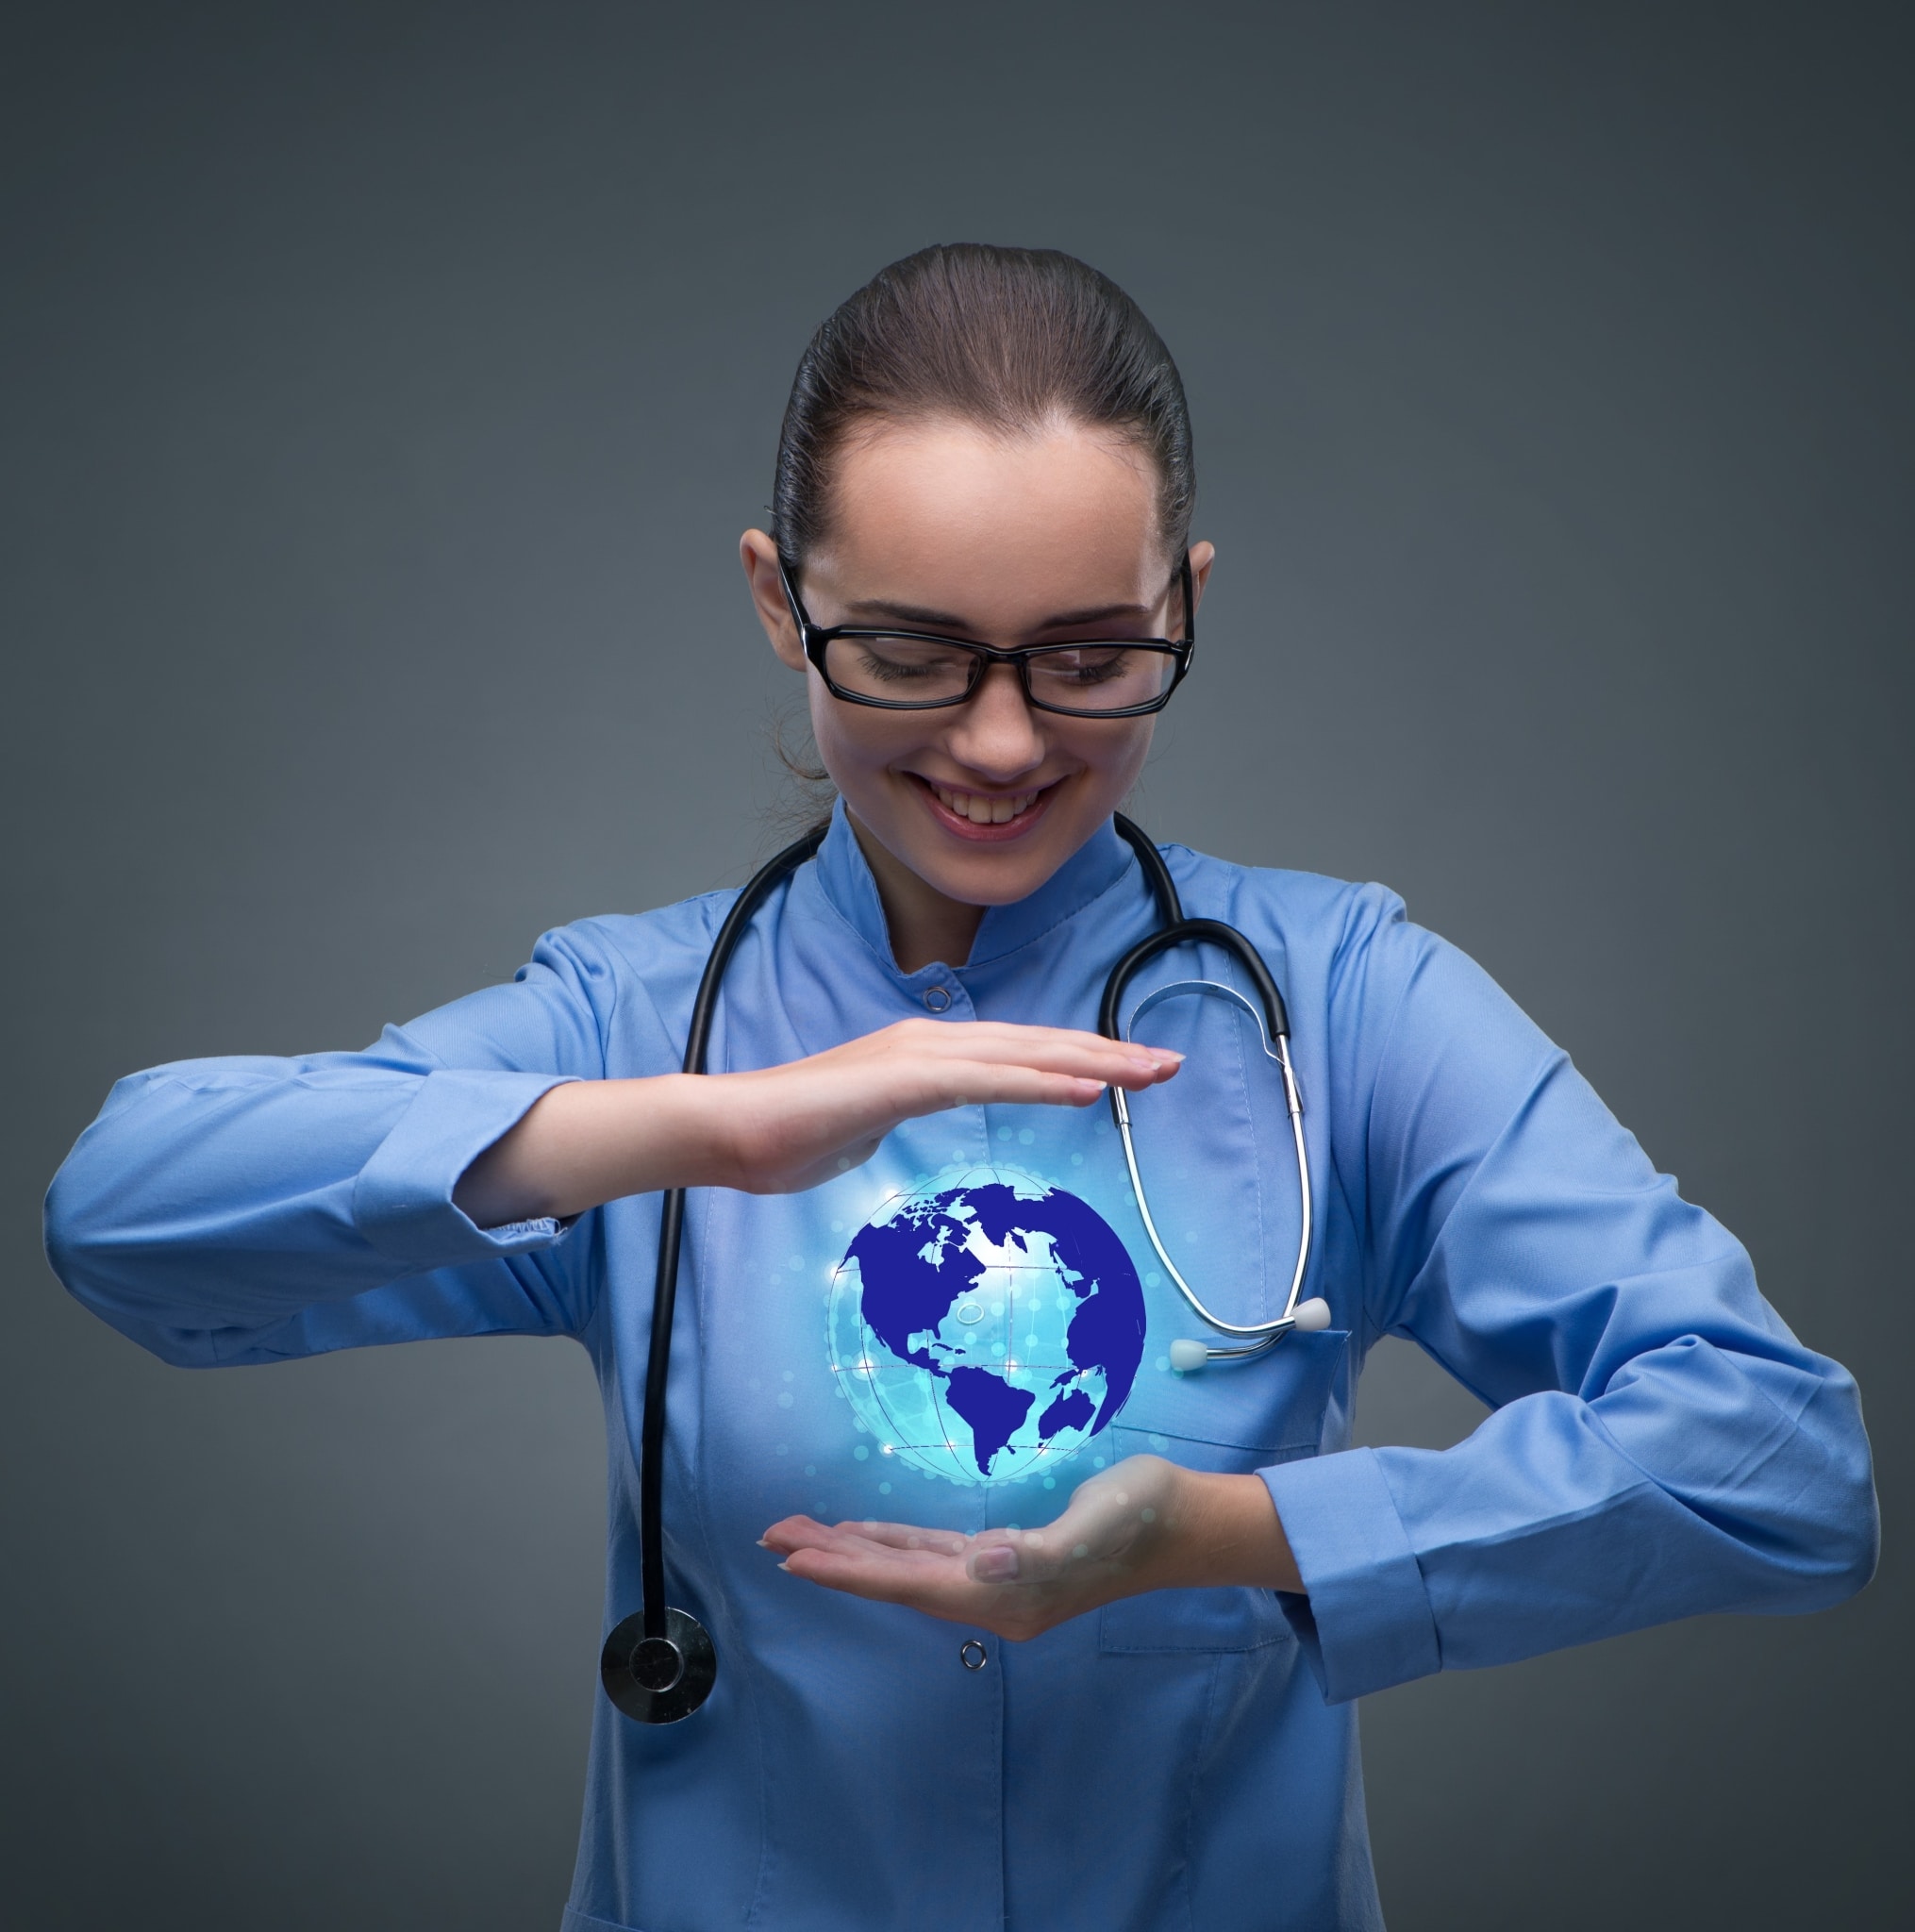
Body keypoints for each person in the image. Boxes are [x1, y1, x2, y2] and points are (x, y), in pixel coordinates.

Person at [45, 244, 1877, 1932]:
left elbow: (1777, 1460)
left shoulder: (1344, 1008)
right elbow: (124, 1212)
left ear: (1183, 602)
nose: (999, 741)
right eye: (910, 652)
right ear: (781, 604)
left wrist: (1224, 1538)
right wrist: (708, 1125)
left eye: (1089, 656)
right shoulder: (637, 1024)